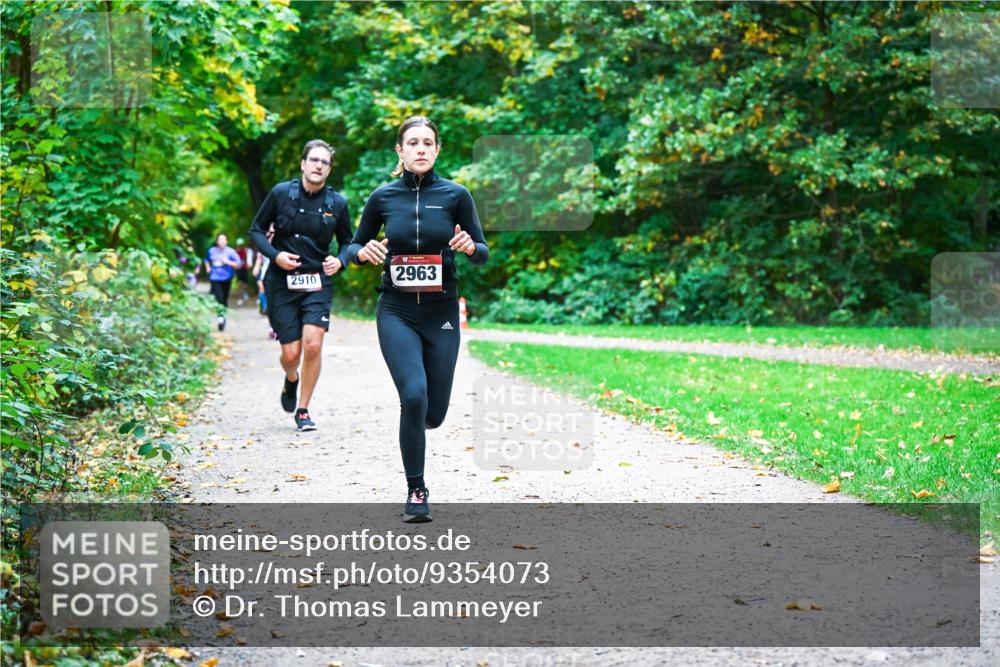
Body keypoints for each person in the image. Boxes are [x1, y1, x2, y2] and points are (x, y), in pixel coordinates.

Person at [348, 116, 489, 522]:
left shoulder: (456, 195)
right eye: (413, 142)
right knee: (413, 395)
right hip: (397, 310)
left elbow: (483, 251)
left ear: (438, 149)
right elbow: (356, 244)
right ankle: (417, 489)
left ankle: (418, 427)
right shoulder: (382, 198)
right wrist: (362, 253)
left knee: (433, 412)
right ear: (400, 150)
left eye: (428, 142)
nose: (421, 149)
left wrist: (468, 246)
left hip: (441, 312)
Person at [248, 139, 354, 431]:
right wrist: (275, 255)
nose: (319, 165)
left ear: (329, 170)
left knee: (313, 345)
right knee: (291, 354)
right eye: (314, 160)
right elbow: (256, 230)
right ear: (303, 164)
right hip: (282, 283)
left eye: (325, 162)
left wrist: (341, 260)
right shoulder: (281, 193)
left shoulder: (337, 203)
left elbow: (349, 242)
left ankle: (304, 410)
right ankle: (291, 378)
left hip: (317, 281)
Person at [204, 233, 241, 331]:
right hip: (215, 278)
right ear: (217, 241)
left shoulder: (231, 252)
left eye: (223, 240)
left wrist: (227, 262)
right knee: (219, 298)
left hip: (227, 278)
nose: (221, 241)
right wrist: (207, 267)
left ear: (226, 241)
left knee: (224, 299)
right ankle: (220, 318)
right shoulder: (211, 251)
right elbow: (206, 260)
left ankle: (223, 317)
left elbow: (239, 264)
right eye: (220, 240)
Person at [233, 238, 253, 306]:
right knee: (239, 284)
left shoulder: (246, 251)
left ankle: (244, 293)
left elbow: (249, 260)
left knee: (245, 284)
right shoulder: (235, 252)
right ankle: (240, 298)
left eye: (241, 245)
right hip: (238, 270)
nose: (240, 246)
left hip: (244, 269)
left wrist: (248, 264)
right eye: (239, 245)